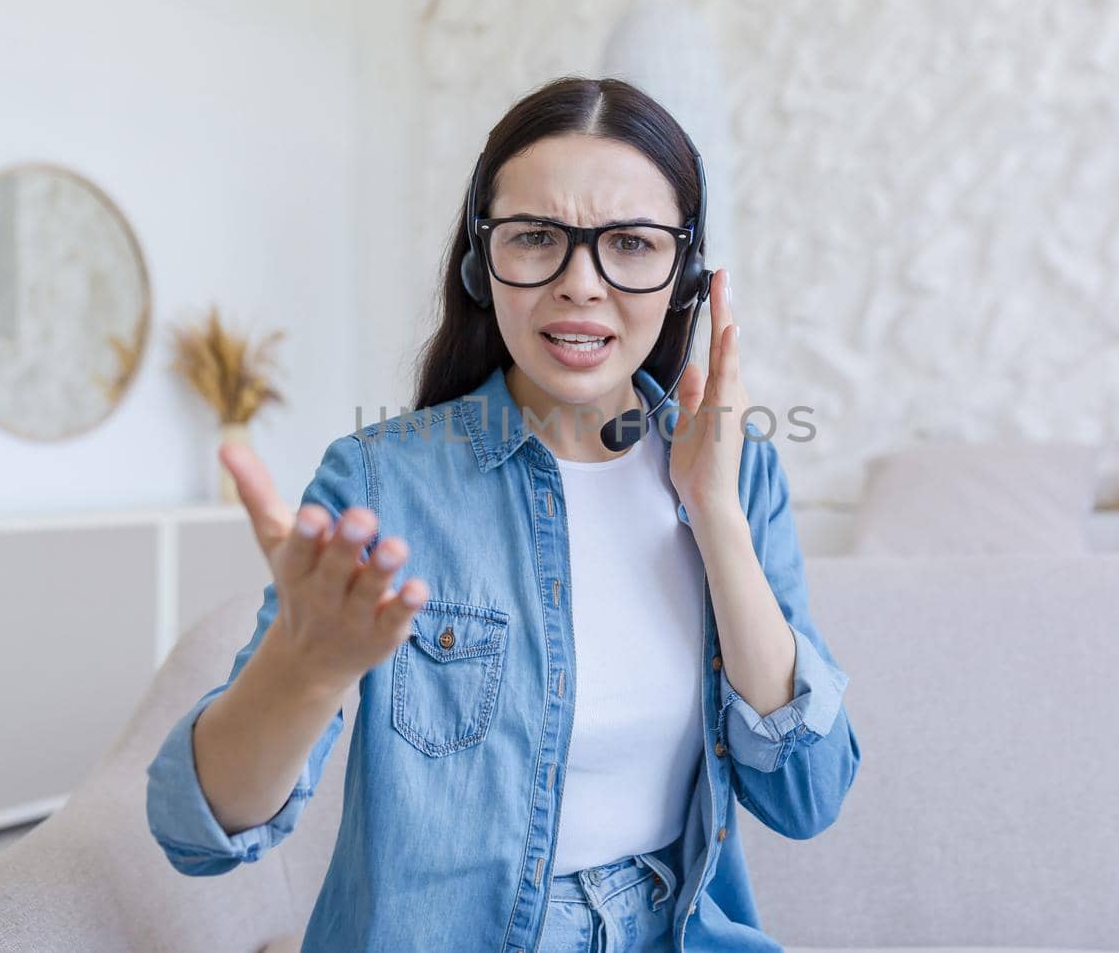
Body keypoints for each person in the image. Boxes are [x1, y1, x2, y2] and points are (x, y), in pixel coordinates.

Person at [145, 75, 861, 952]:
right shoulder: (381, 482)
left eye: (631, 244)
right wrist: (305, 671)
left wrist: (715, 515)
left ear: (686, 274)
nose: (581, 284)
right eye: (535, 238)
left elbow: (809, 793)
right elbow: (196, 831)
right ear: (481, 263)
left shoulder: (741, 478)